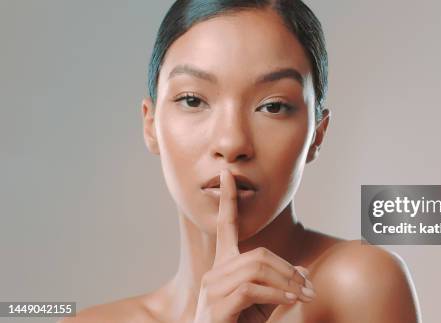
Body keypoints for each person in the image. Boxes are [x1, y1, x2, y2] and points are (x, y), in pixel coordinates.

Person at [62, 0, 419, 322]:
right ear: (151, 124)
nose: (232, 142)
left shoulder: (360, 284)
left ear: (317, 134)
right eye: (192, 100)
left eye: (273, 106)